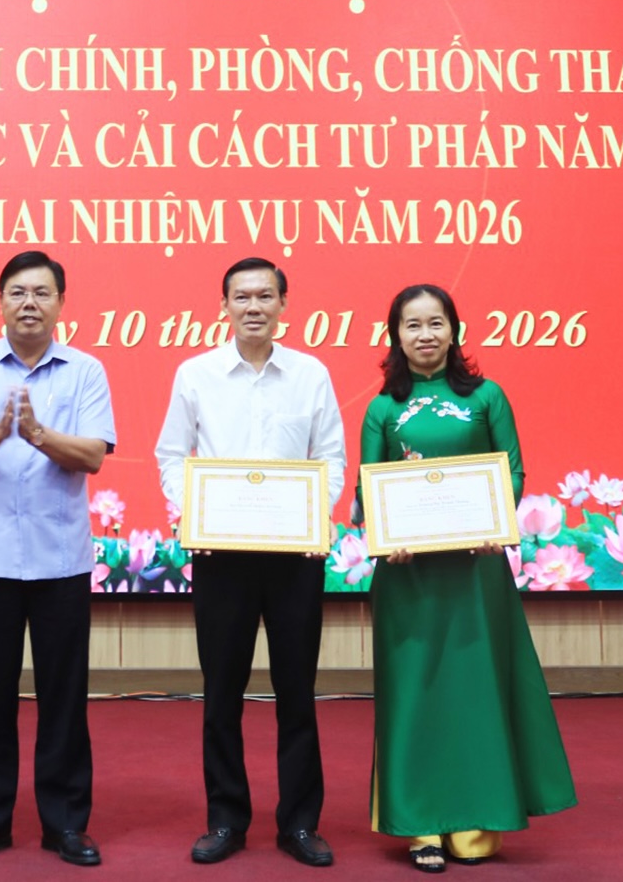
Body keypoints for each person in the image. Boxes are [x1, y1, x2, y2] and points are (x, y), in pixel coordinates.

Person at [360, 283, 576, 873]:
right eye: (412, 325)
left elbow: (513, 470)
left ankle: (475, 825)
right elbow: (368, 487)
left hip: (476, 571)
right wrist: (389, 536)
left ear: (454, 330)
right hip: (408, 578)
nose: (425, 334)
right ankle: (420, 825)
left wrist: (495, 520)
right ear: (395, 336)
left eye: (435, 323)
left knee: (477, 691)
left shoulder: (487, 396)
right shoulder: (383, 409)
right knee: (415, 695)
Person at [154, 257, 346, 868]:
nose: (254, 307)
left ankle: (300, 824)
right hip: (222, 556)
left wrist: (317, 515)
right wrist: (190, 512)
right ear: (224, 306)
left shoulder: (311, 374)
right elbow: (170, 455)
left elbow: (331, 457)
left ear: (284, 305)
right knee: (222, 694)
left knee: (297, 692)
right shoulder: (195, 374)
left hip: (294, 556)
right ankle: (226, 819)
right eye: (242, 297)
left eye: (265, 296)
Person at [0, 250, 116, 868]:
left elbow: (93, 455)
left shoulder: (85, 370)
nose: (29, 303)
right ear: (0, 301)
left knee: (65, 699)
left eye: (41, 292)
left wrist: (37, 434)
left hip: (61, 560)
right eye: (17, 292)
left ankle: (66, 824)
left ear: (61, 303)